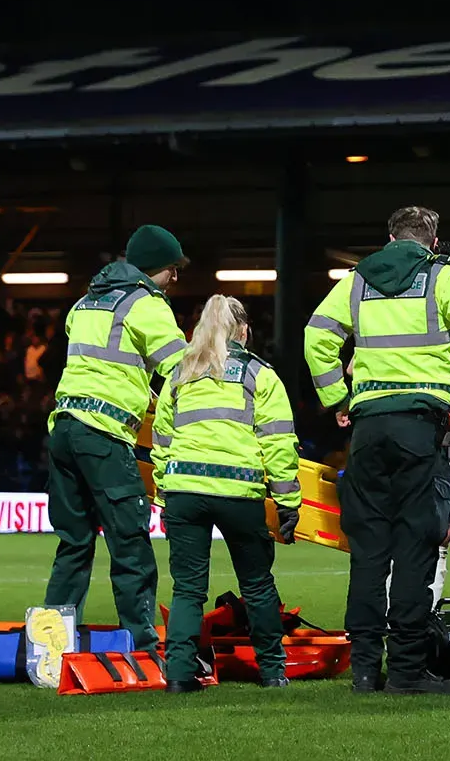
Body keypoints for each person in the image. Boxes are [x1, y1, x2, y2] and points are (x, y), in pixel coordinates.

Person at [305, 206, 450, 695]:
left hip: (367, 428)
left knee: (369, 552)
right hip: (419, 427)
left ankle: (365, 669)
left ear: (389, 237)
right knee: (415, 547)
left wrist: (336, 399)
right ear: (432, 241)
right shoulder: (444, 275)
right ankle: (407, 669)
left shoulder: (357, 279)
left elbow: (316, 336)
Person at [44, 224, 190, 651]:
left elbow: (99, 363)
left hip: (64, 429)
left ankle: (51, 647)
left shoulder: (85, 302)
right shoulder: (147, 305)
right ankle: (144, 646)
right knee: (130, 545)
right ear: (154, 268)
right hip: (104, 436)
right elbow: (180, 370)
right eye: (172, 268)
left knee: (73, 543)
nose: (176, 277)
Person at [152, 295, 301, 692]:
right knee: (256, 584)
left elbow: (161, 439)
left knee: (187, 588)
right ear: (243, 331)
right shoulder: (259, 373)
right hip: (238, 490)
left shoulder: (180, 373)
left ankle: (180, 675)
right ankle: (272, 671)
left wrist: (165, 493)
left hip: (185, 488)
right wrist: (288, 501)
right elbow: (279, 441)